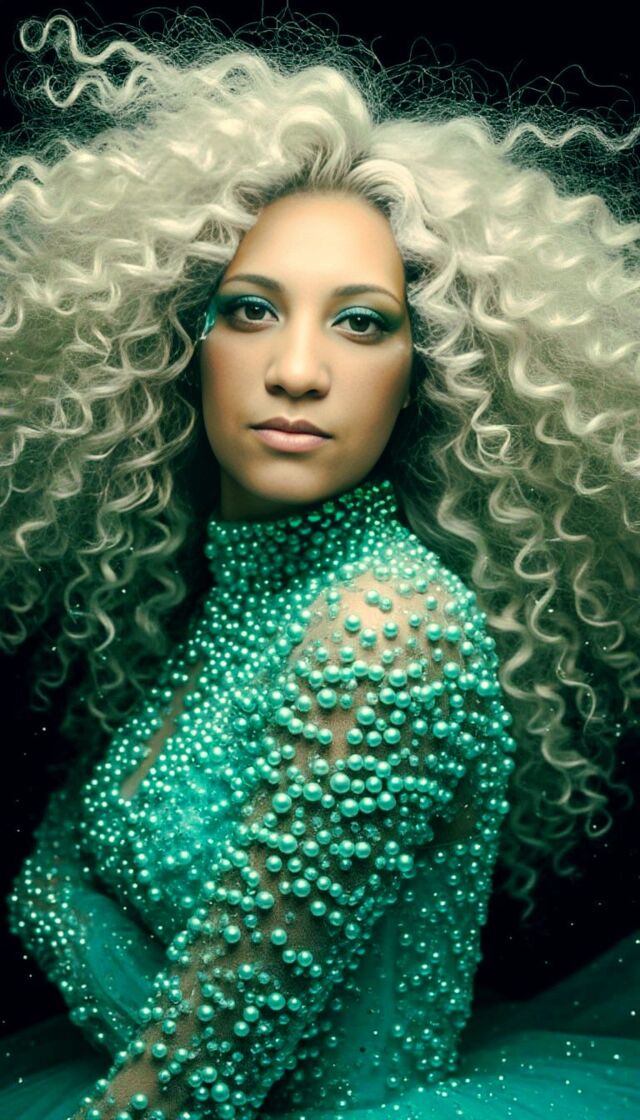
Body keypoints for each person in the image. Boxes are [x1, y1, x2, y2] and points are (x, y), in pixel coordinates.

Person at [0, 11, 638, 1120]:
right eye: (251, 312)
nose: (297, 370)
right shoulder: (232, 606)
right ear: (182, 341)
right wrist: (58, 900)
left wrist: (72, 913)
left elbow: (196, 1082)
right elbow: (48, 875)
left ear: (424, 371)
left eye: (362, 324)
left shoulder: (386, 628)